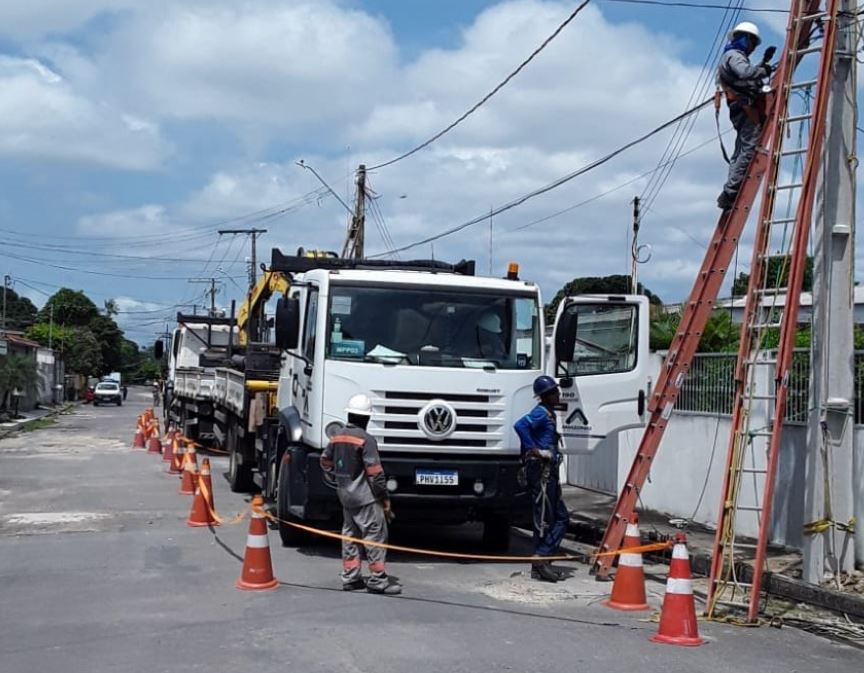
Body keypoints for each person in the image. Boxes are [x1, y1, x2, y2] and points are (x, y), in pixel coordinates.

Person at [320, 393, 402, 595]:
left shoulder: (337, 437)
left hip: (346, 496)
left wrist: (339, 480)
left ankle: (351, 577)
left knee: (350, 536)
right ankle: (377, 580)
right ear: (366, 418)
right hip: (366, 498)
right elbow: (375, 475)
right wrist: (384, 500)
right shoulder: (366, 440)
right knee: (374, 536)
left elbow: (325, 461)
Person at [514, 375, 569, 583]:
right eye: (555, 391)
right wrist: (534, 449)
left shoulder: (549, 413)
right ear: (547, 395)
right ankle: (542, 556)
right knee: (557, 518)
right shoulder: (540, 413)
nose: (559, 394)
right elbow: (520, 426)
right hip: (542, 472)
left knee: (545, 518)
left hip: (548, 471)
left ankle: (541, 565)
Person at [716, 21, 773, 210]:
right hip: (743, 108)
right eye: (753, 43)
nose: (752, 48)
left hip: (739, 108)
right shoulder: (734, 56)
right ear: (746, 39)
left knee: (740, 149)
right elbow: (745, 73)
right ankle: (731, 191)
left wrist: (761, 68)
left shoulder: (730, 57)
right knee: (748, 147)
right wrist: (762, 70)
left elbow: (745, 79)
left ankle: (729, 189)